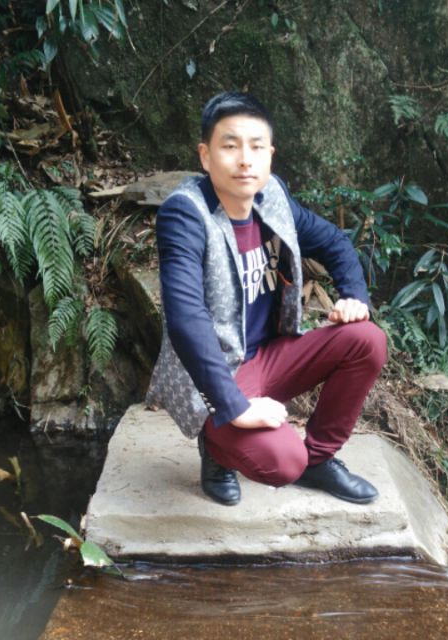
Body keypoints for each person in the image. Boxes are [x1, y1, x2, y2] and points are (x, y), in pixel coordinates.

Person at [145, 91, 388, 506]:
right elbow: (186, 319)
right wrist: (235, 406)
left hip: (272, 355)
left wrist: (354, 297)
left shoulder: (271, 195)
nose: (245, 160)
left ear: (270, 155)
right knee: (282, 462)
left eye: (256, 147)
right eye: (230, 146)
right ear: (205, 156)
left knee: (367, 340)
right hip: (218, 371)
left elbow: (334, 242)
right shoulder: (185, 215)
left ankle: (318, 460)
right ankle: (216, 447)